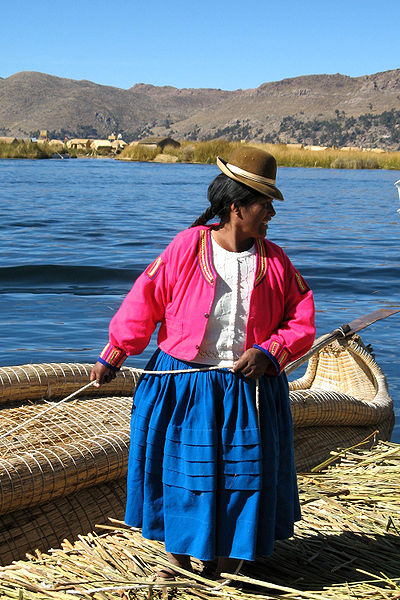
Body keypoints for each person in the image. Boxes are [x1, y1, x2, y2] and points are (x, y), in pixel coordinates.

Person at [90, 146, 315, 579]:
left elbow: (300, 318)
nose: (271, 213)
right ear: (237, 208)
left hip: (248, 389)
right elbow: (145, 299)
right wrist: (115, 352)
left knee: (241, 480)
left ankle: (229, 565)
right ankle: (177, 563)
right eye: (264, 204)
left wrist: (269, 352)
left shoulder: (276, 261)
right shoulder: (186, 247)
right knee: (181, 475)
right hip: (184, 386)